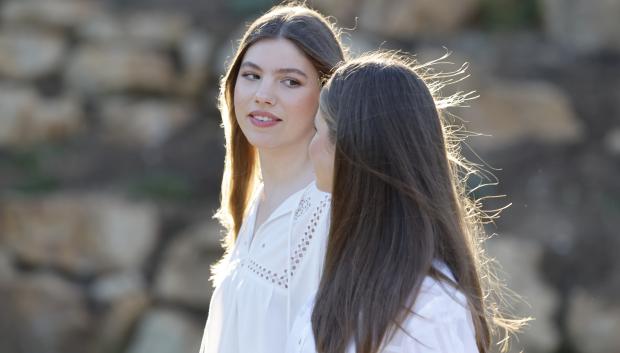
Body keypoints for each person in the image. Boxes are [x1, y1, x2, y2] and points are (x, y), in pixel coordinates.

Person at [287, 52, 527, 353]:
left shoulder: (431, 310)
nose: (310, 148)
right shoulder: (347, 277)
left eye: (318, 131)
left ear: (354, 149)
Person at [199, 3, 346, 353]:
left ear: (327, 96)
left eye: (290, 81)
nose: (263, 95)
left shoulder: (327, 213)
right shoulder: (256, 199)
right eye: (251, 76)